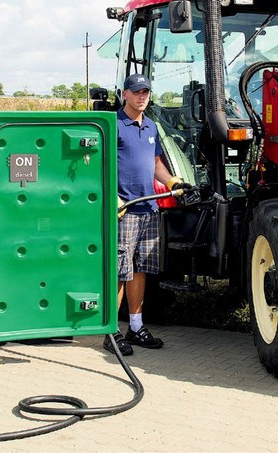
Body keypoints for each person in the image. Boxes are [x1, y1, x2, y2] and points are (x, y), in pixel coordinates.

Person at [104, 73, 191, 356]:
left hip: (149, 208)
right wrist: (111, 197)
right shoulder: (113, 126)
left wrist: (172, 182)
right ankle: (110, 331)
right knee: (120, 270)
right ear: (124, 94)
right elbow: (97, 167)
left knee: (139, 270)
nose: (142, 96)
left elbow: (155, 164)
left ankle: (136, 326)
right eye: (137, 91)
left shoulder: (151, 126)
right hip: (125, 210)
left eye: (146, 92)